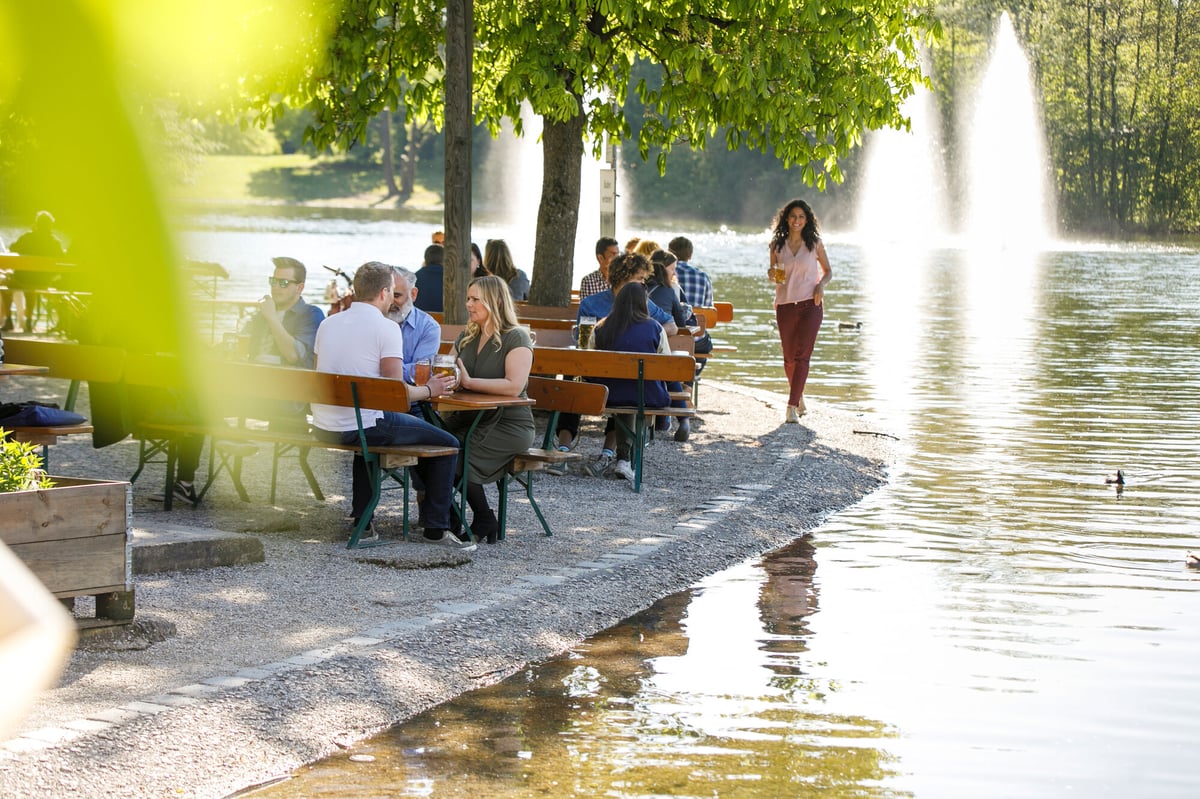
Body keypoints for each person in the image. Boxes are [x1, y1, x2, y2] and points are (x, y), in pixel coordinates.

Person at [311, 261, 471, 549]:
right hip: (360, 427)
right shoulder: (386, 329)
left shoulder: (327, 323)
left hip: (324, 426)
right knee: (448, 443)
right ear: (384, 292)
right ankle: (436, 528)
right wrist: (429, 389)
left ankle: (363, 519)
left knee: (368, 432)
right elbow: (394, 396)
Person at [443, 275, 536, 543]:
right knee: (430, 446)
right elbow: (449, 369)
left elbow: (514, 386)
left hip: (508, 423)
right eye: (468, 299)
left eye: (475, 300)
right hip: (467, 417)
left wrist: (470, 382)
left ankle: (483, 516)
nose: (469, 305)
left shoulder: (516, 337)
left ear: (495, 301)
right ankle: (447, 517)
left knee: (457, 456)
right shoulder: (467, 335)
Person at [591, 282, 670, 486]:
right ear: (644, 303)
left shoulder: (601, 327)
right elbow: (667, 365)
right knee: (636, 391)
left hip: (608, 395)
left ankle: (623, 458)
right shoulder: (655, 328)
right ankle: (626, 458)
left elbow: (589, 363)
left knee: (626, 391)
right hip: (647, 396)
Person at [769, 199, 832, 423]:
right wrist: (772, 274)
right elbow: (777, 278)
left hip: (810, 305)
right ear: (787, 218)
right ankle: (799, 393)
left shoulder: (814, 243)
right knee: (789, 359)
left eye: (801, 217)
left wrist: (821, 285)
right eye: (794, 216)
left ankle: (792, 406)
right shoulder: (777, 245)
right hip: (785, 305)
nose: (797, 221)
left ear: (807, 221)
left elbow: (828, 272)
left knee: (802, 356)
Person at [242, 257, 325, 368]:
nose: (276, 287)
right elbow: (250, 352)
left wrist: (272, 318)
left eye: (283, 283)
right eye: (273, 281)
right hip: (255, 378)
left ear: (299, 288)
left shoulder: (311, 314)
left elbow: (293, 355)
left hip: (291, 382)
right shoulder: (262, 314)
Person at [646, 249, 693, 441]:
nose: (674, 273)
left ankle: (664, 420)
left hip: (637, 346)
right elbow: (680, 323)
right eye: (672, 269)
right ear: (663, 269)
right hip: (659, 346)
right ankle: (681, 419)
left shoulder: (639, 287)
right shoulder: (669, 290)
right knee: (669, 367)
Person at [3, 210, 64, 332]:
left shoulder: (28, 237)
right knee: (32, 286)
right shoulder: (55, 242)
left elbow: (12, 248)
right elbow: (61, 259)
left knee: (5, 287)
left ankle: (9, 319)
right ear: (50, 225)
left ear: (36, 224)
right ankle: (29, 321)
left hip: (22, 279)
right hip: (44, 282)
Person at [385, 265, 441, 387]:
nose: (390, 302)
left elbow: (421, 372)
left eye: (396, 295)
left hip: (412, 402)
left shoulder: (428, 327)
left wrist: (384, 368)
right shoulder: (373, 320)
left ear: (413, 294)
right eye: (386, 296)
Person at [668, 235, 715, 361]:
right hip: (696, 339)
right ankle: (693, 374)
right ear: (690, 255)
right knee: (705, 341)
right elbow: (709, 307)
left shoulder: (665, 274)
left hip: (671, 337)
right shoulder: (703, 276)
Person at [413, 244, 444, 312]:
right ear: (444, 259)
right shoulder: (450, 279)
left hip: (419, 320)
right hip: (446, 320)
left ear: (425, 259)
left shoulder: (414, 277)